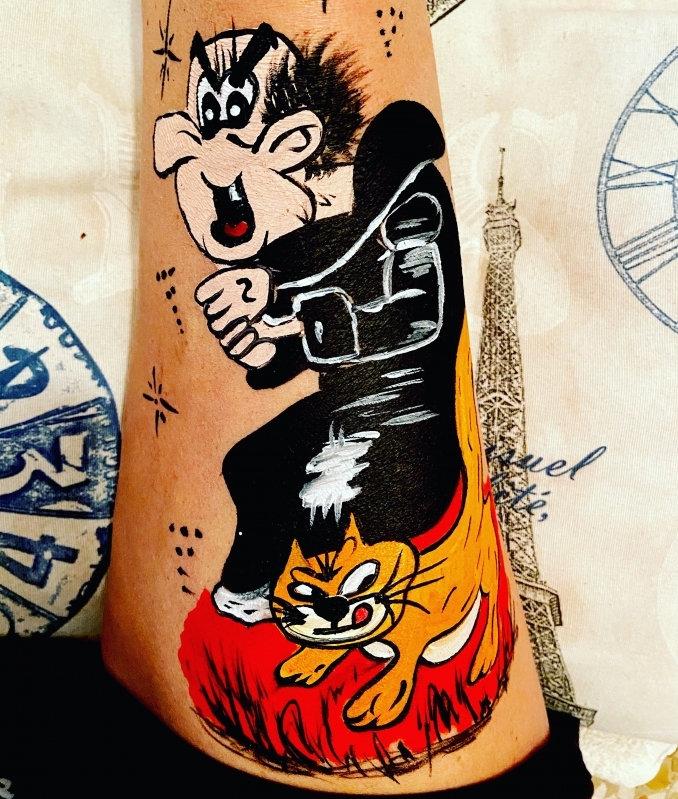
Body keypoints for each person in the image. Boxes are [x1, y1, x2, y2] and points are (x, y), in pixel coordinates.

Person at [103, 1, 552, 792]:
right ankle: (257, 597)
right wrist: (262, 339)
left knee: (323, 491)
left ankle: (352, 627)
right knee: (250, 460)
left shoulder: (405, 200)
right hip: (351, 408)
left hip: (403, 409)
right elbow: (288, 351)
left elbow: (405, 318)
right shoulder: (309, 228)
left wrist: (285, 305)